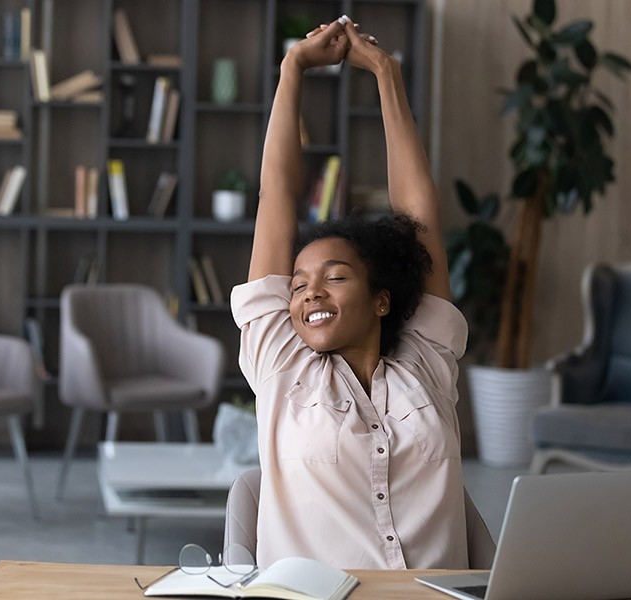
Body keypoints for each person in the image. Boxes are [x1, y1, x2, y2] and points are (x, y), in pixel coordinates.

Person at [231, 15, 469, 569]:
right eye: (298, 285)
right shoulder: (278, 360)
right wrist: (293, 68)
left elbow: (419, 218)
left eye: (334, 277)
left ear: (382, 299)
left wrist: (386, 74)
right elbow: (277, 194)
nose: (310, 293)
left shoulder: (426, 361)